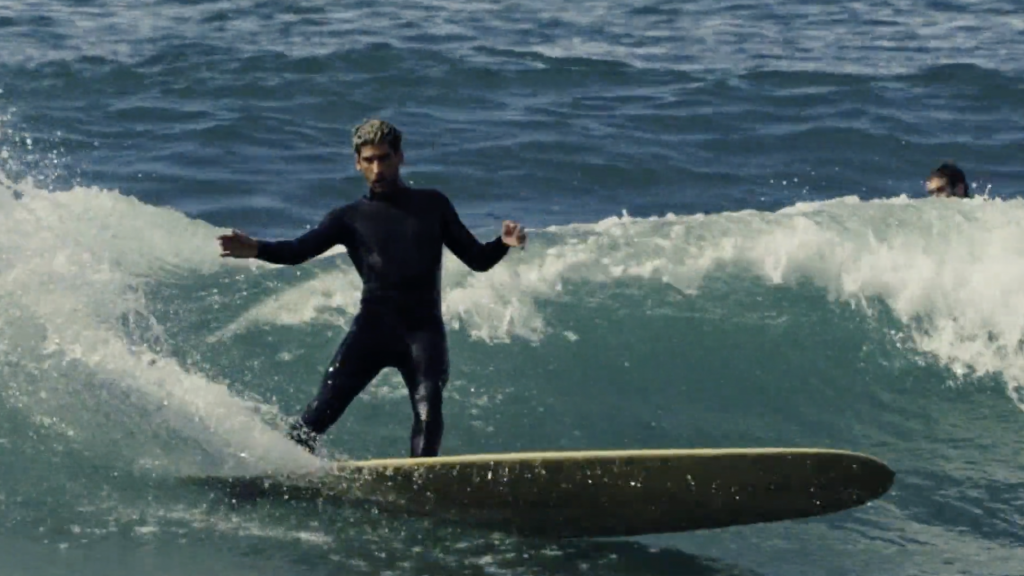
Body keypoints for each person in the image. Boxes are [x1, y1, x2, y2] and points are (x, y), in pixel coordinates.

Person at [217, 119, 527, 458]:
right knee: (321, 412)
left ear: (400, 157)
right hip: (372, 330)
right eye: (369, 160)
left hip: (422, 331)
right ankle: (277, 465)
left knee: (429, 409)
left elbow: (476, 259)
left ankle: (421, 484)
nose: (377, 168)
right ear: (357, 163)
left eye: (384, 158)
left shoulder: (432, 205)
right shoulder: (348, 218)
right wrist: (257, 248)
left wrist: (502, 243)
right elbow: (297, 251)